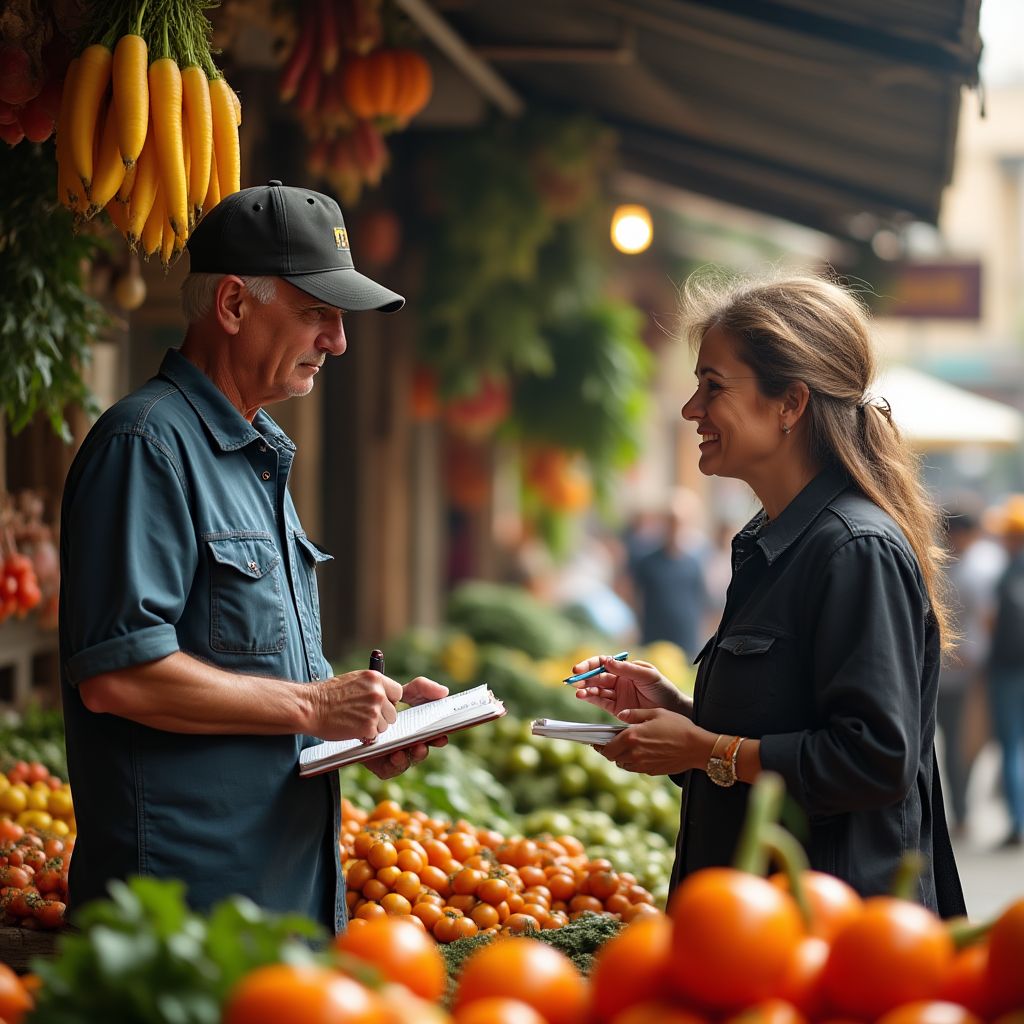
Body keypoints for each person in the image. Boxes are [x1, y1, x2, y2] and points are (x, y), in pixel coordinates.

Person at [58, 181, 448, 932]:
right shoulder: (146, 446)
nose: (337, 341)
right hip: (183, 921)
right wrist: (313, 705)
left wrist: (360, 723)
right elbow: (118, 676)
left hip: (277, 904)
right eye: (317, 315)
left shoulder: (253, 451)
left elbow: (244, 680)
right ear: (234, 305)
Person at [570, 273, 966, 915]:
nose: (691, 410)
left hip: (829, 940)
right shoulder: (768, 542)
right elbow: (785, 727)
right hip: (749, 926)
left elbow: (874, 759)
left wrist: (707, 749)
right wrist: (682, 715)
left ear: (790, 404)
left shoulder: (854, 549)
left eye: (714, 387)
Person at [937, 500, 1005, 838]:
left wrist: (970, 655)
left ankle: (962, 815)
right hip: (950, 675)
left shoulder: (975, 570)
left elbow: (987, 623)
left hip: (962, 677)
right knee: (955, 751)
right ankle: (958, 814)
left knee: (959, 750)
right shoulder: (978, 568)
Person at [984, 494, 1024, 848]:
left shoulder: (1008, 573)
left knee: (1012, 748)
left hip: (1008, 670)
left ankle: (1018, 822)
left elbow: (991, 623)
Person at [627, 492, 710, 658]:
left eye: (679, 522)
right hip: (654, 643)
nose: (675, 527)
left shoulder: (695, 563)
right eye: (670, 521)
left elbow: (702, 602)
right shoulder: (647, 562)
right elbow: (633, 598)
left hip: (686, 643)